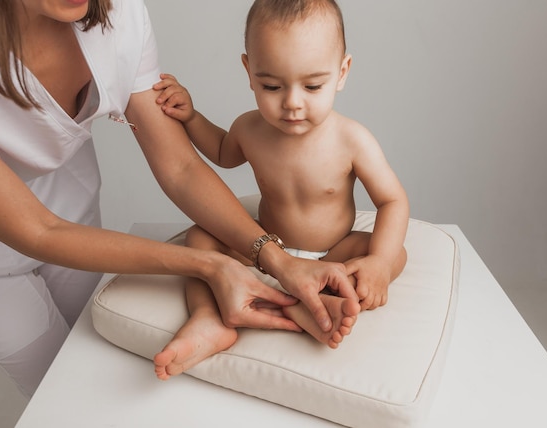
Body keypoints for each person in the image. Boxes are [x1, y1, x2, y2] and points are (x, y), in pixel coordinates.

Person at [0, 0, 360, 403]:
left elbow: (181, 169)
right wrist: (212, 265)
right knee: (61, 394)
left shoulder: (118, 14)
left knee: (108, 361)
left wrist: (278, 261)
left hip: (72, 213)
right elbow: (39, 231)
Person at [152, 0, 409, 380]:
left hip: (331, 256)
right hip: (266, 250)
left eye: (312, 85)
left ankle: (310, 302)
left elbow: (393, 200)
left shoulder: (352, 140)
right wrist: (191, 117)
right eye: (271, 85)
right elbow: (222, 152)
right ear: (249, 71)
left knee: (394, 253)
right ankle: (210, 316)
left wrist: (380, 264)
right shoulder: (250, 129)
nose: (291, 103)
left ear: (342, 72)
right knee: (200, 236)